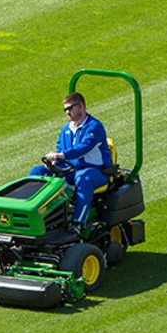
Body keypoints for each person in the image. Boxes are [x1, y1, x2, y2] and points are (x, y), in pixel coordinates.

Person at [30, 92, 113, 230]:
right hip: (72, 170)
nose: (67, 112)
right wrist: (54, 162)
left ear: (81, 106)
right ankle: (38, 215)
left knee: (83, 177)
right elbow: (60, 147)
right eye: (65, 110)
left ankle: (77, 223)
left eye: (70, 108)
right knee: (37, 171)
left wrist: (61, 156)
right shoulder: (66, 129)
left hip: (96, 171)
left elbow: (83, 148)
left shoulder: (94, 127)